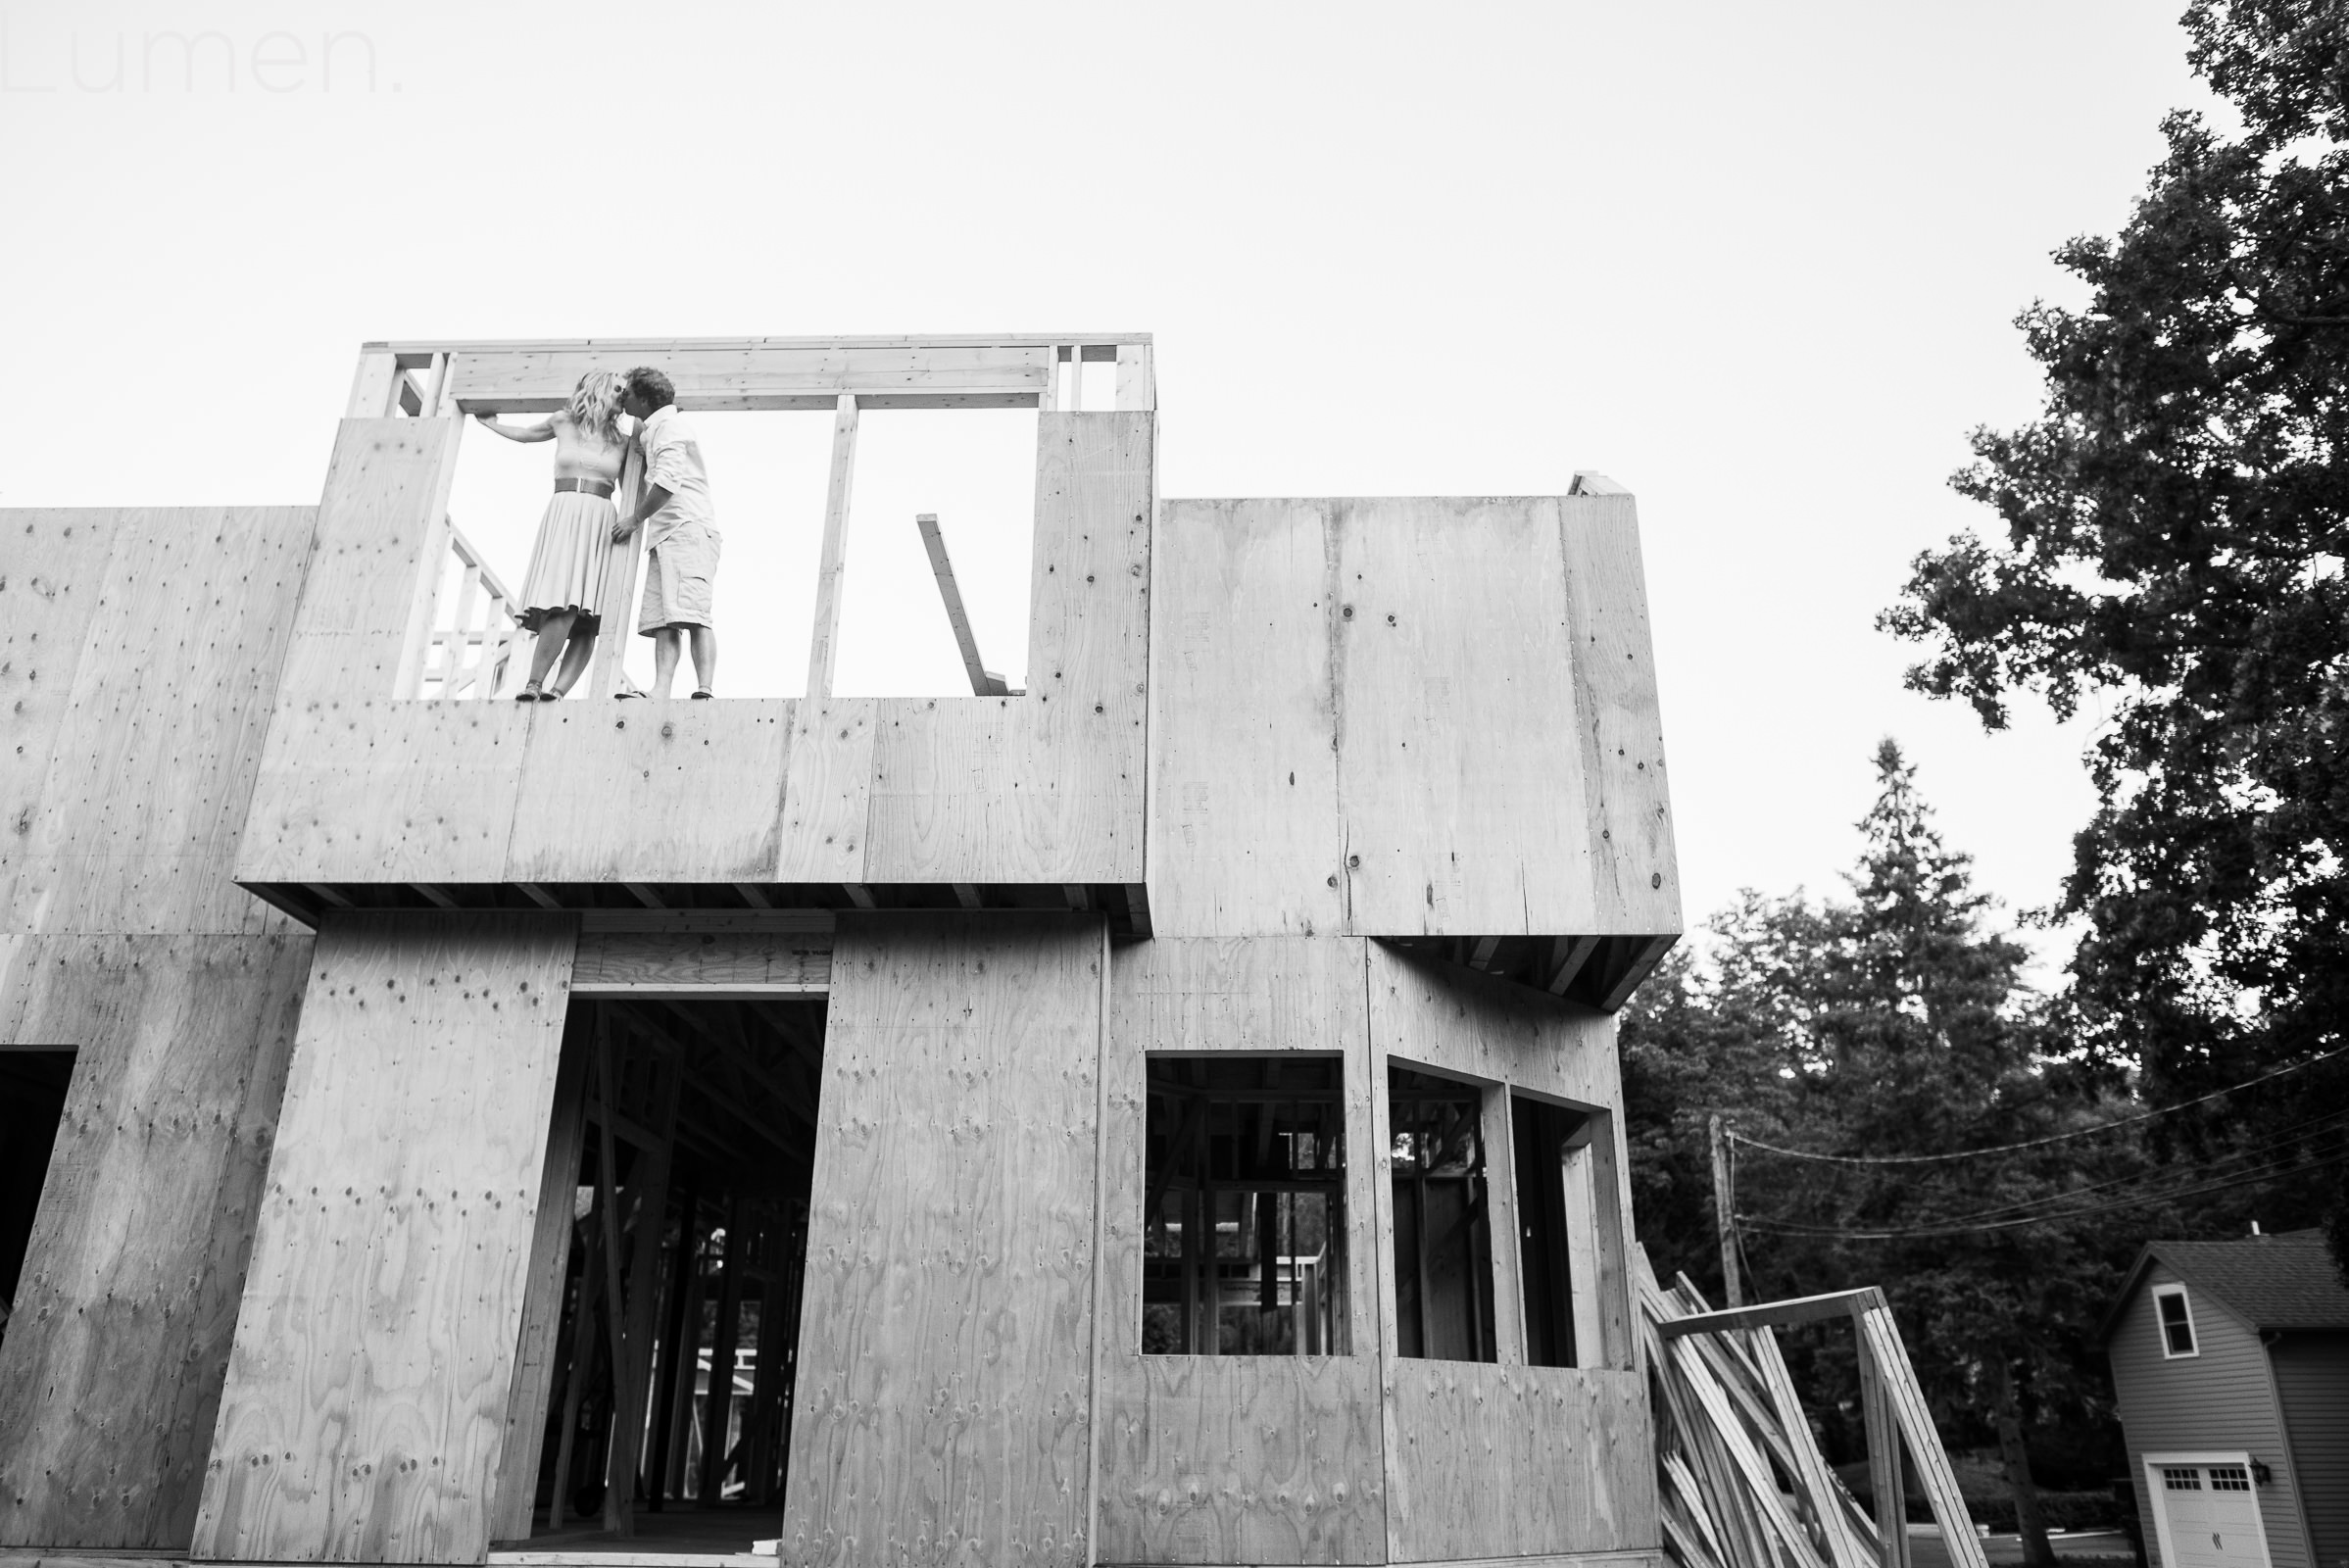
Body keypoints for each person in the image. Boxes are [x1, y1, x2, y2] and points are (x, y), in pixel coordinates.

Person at [473, 370, 631, 700]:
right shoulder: (563, 422)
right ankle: (534, 682)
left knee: (589, 614)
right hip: (564, 512)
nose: (623, 395)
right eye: (618, 388)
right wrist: (489, 423)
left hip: (600, 519)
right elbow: (525, 434)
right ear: (600, 388)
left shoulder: (625, 440)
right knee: (561, 602)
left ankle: (558, 691)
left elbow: (636, 486)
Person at [612, 367, 720, 699]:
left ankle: (704, 689)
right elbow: (640, 437)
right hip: (667, 533)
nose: (622, 397)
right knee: (665, 619)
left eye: (626, 393)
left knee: (694, 614)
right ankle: (661, 689)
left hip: (686, 529)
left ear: (644, 399)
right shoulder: (656, 430)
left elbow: (668, 483)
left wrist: (634, 520)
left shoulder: (671, 428)